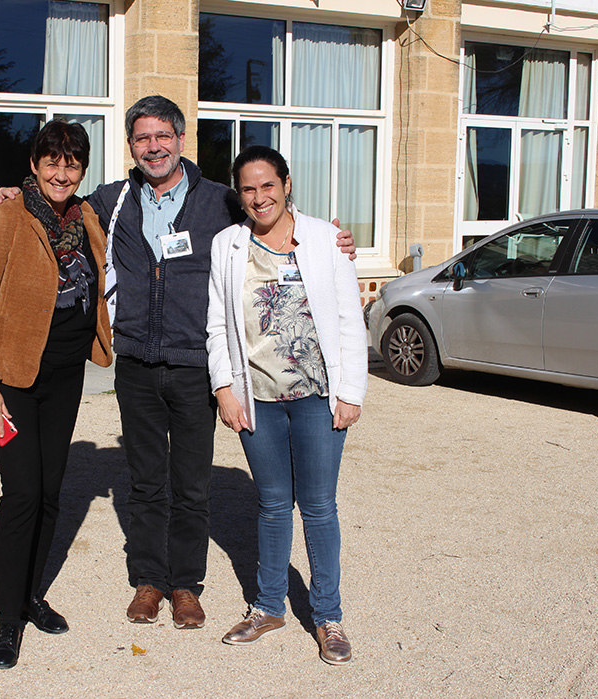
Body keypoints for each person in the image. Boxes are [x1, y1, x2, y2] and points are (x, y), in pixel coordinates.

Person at [0, 96, 357, 631]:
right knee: (144, 482)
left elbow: (271, 215)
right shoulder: (111, 200)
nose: (153, 146)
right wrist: (14, 193)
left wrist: (330, 240)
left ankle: (186, 584)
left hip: (193, 365)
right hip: (136, 363)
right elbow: (56, 198)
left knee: (191, 484)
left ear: (181, 140)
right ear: (131, 146)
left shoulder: (220, 200)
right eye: (142, 138)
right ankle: (149, 581)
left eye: (163, 135)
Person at [205, 145, 367, 665]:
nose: (259, 198)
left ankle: (328, 616)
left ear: (286, 184)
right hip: (258, 399)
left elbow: (349, 317)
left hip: (318, 397)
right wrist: (224, 388)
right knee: (273, 505)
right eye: (248, 189)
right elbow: (217, 324)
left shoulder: (324, 239)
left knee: (319, 507)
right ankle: (269, 606)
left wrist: (351, 392)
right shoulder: (228, 245)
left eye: (268, 186)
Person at [0, 119, 112, 669]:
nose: (61, 174)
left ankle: (30, 597)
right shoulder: (10, 214)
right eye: (52, 163)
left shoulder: (87, 216)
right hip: (11, 381)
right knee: (22, 492)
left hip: (65, 375)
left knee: (50, 493)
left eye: (72, 165)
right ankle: (8, 618)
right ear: (34, 164)